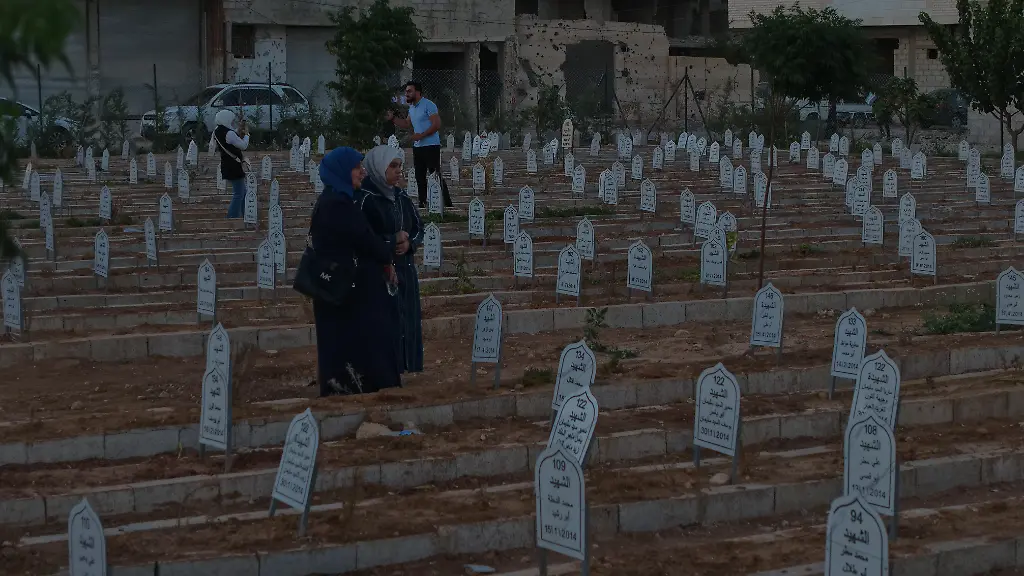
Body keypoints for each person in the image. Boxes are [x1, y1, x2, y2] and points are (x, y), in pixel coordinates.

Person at [310, 147, 406, 396]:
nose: (362, 172)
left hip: (341, 284)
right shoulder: (338, 204)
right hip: (346, 285)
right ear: (342, 171)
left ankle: (353, 383)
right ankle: (364, 385)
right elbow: (364, 240)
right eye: (356, 168)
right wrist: (389, 245)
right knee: (364, 335)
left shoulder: (337, 199)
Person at [359, 145, 424, 374]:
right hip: (382, 272)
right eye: (393, 166)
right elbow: (364, 237)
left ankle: (409, 366)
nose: (398, 171)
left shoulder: (401, 197)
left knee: (408, 321)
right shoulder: (367, 200)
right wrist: (390, 240)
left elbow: (418, 227)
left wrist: (409, 244)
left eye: (400, 166)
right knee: (387, 323)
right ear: (378, 168)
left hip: (405, 268)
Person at [386, 81, 453, 209]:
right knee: (419, 176)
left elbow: (436, 124)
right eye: (406, 91)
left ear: (418, 92)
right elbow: (407, 124)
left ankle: (447, 204)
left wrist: (421, 136)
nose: (406, 94)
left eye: (409, 91)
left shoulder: (429, 105)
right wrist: (393, 119)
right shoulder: (412, 108)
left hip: (431, 145)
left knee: (435, 174)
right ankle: (423, 203)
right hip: (418, 147)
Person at [212, 109, 249, 218]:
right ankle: (231, 217)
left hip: (227, 164)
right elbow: (243, 145)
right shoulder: (229, 133)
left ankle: (245, 214)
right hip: (234, 166)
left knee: (243, 192)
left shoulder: (218, 131)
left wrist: (239, 130)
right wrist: (246, 135)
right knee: (239, 194)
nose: (232, 122)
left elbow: (232, 137)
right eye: (231, 120)